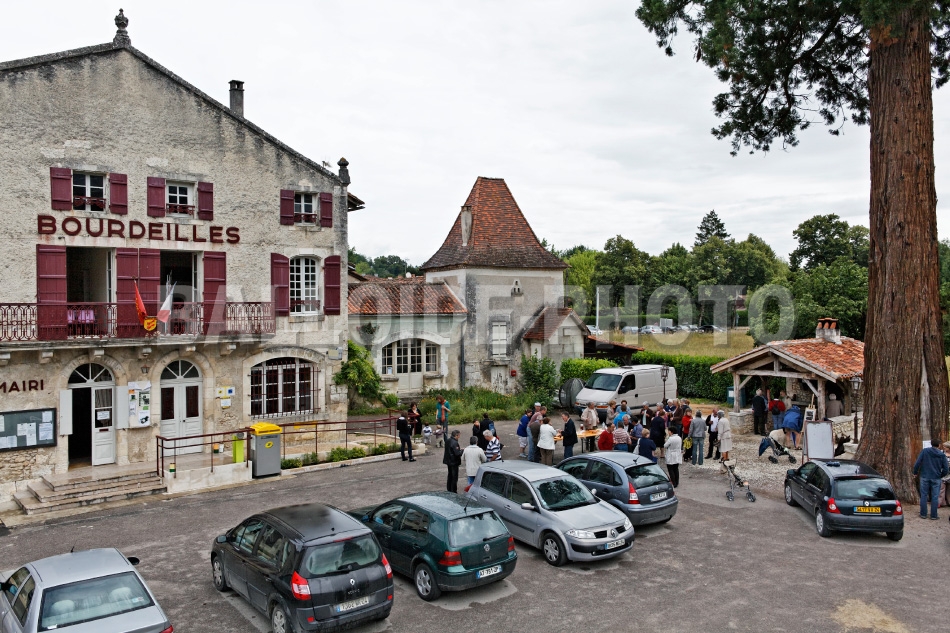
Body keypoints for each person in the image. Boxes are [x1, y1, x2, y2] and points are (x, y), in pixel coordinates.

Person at [913, 439, 949, 520]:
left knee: (924, 495)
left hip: (925, 476)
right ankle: (934, 515)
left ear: (931, 444)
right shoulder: (941, 455)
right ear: (939, 445)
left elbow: (917, 463)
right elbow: (946, 469)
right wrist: (940, 475)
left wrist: (915, 472)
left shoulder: (925, 451)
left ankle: (923, 514)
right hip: (936, 477)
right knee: (935, 496)